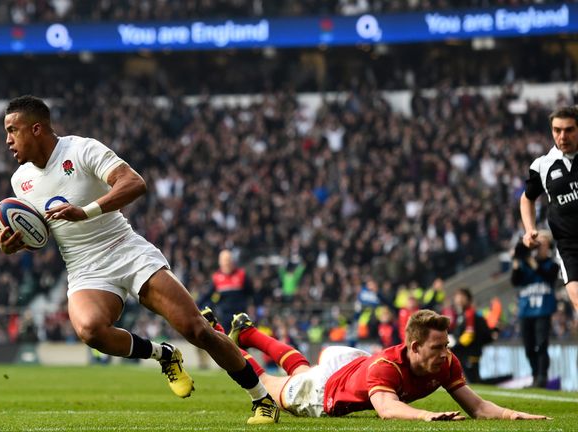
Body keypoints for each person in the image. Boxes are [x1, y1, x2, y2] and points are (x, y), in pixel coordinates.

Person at [0, 95, 279, 424]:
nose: (7, 140)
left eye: (12, 130)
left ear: (36, 129)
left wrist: (85, 212)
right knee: (90, 331)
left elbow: (134, 183)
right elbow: (37, 235)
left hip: (124, 249)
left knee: (198, 330)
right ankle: (164, 354)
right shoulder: (20, 182)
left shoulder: (81, 150)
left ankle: (262, 400)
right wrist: (11, 246)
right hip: (84, 267)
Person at [202, 308, 550, 421]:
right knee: (270, 383)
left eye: (446, 345)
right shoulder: (389, 366)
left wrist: (511, 415)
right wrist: (428, 416)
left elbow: (477, 407)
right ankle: (220, 332)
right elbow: (386, 408)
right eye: (437, 346)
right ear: (414, 346)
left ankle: (247, 333)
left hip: (353, 364)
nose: (445, 353)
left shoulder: (444, 362)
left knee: (302, 367)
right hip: (326, 390)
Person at [520, 106, 578, 314]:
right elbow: (527, 199)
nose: (562, 136)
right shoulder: (542, 165)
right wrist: (529, 229)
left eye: (569, 130)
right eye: (557, 130)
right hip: (569, 247)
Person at [511, 237, 558, 388]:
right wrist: (518, 260)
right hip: (525, 312)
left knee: (542, 345)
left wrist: (531, 261)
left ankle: (542, 377)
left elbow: (548, 276)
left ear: (548, 248)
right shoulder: (523, 265)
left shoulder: (552, 265)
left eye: (541, 245)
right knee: (529, 347)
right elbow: (515, 281)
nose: (537, 248)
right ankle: (535, 375)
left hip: (543, 311)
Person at [198, 249, 253, 332]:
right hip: (224, 316)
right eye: (224, 261)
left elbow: (251, 292)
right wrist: (196, 305)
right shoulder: (217, 278)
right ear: (220, 263)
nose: (227, 263)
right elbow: (207, 295)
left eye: (228, 260)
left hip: (240, 315)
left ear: (233, 261)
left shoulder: (241, 275)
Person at [451, 288, 492, 384]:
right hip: (465, 352)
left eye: (462, 297)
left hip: (470, 353)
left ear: (468, 299)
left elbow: (469, 335)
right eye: (457, 297)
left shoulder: (469, 314)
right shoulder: (462, 314)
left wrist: (455, 346)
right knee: (468, 381)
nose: (459, 300)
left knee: (473, 381)